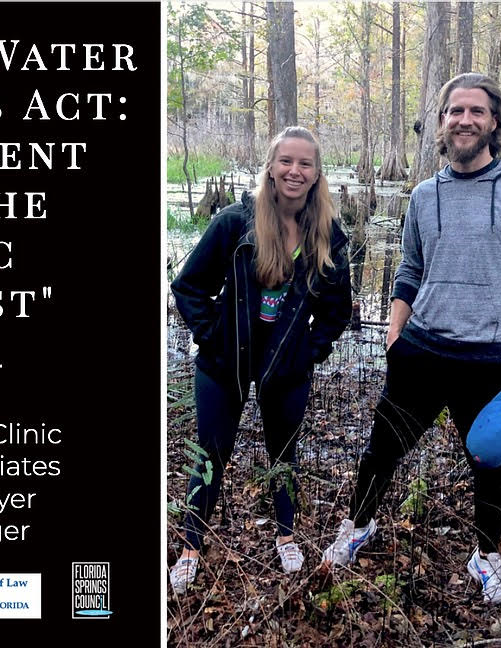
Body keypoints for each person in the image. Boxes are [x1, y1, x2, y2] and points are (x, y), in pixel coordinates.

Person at [322, 73, 501, 606]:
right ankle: (358, 525)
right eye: (454, 111)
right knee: (382, 450)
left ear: (494, 122)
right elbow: (409, 268)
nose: (464, 120)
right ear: (440, 123)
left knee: (489, 463)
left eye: (476, 111)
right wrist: (396, 330)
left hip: (489, 360)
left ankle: (485, 554)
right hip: (421, 352)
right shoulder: (423, 195)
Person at [169, 126, 352, 594]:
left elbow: (337, 310)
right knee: (210, 452)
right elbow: (188, 285)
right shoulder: (235, 223)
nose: (295, 171)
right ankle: (192, 544)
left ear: (316, 173)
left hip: (287, 365)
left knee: (284, 453)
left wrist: (310, 353)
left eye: (305, 163)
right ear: (271, 166)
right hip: (224, 362)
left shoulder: (328, 232)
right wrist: (212, 337)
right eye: (286, 161)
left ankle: (286, 534)